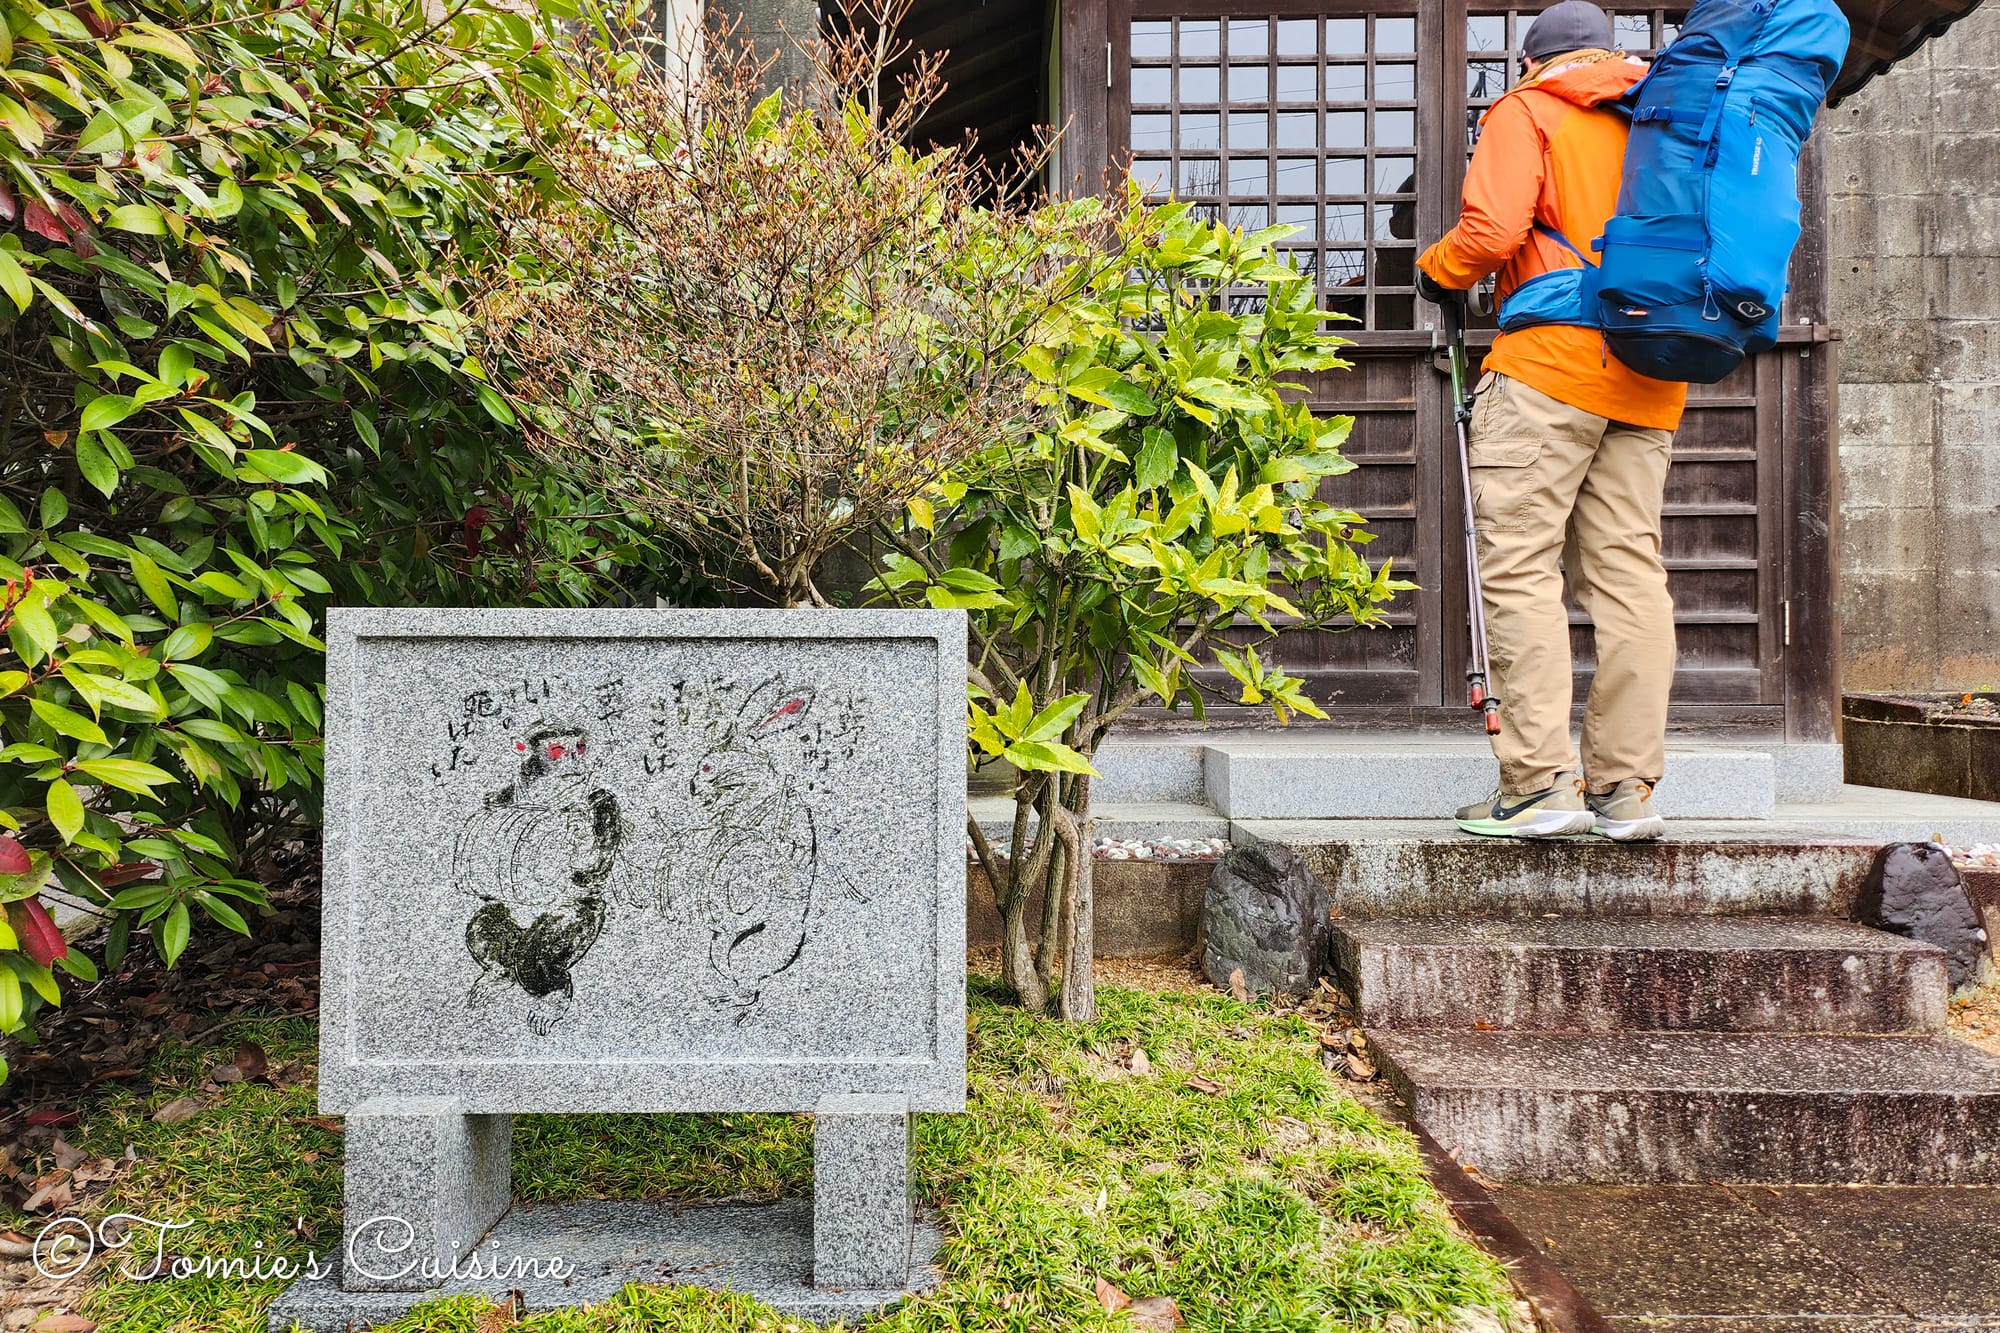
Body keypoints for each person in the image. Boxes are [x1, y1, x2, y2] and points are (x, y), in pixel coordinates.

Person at [1415, 0, 1685, 842]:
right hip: (1650, 376)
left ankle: (1538, 784)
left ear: (1534, 62)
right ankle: (1625, 789)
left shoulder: (1528, 109)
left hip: (1549, 370)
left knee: (1521, 567)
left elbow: (1492, 232)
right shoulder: (1663, 118)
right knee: (1630, 576)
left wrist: (1435, 268)